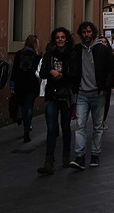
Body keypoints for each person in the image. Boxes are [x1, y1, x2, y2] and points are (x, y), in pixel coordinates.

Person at [69, 21, 114, 170]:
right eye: (84, 32)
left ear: (93, 33)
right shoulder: (76, 50)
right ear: (81, 34)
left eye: (89, 32)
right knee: (80, 125)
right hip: (82, 93)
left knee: (97, 126)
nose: (86, 34)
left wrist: (105, 88)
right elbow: (72, 69)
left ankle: (95, 154)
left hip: (98, 93)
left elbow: (111, 69)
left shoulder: (102, 50)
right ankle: (79, 157)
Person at [36, 28, 76, 175]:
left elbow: (75, 74)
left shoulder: (72, 55)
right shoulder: (49, 55)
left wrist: (62, 74)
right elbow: (42, 73)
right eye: (57, 37)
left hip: (66, 95)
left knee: (66, 127)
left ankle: (66, 156)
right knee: (52, 128)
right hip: (51, 95)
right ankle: (49, 160)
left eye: (62, 37)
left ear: (66, 39)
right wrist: (51, 72)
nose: (60, 39)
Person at [11, 34, 42, 142]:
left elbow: (14, 71)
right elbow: (39, 73)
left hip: (20, 84)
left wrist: (12, 85)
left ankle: (21, 120)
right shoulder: (37, 57)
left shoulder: (19, 54)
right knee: (28, 108)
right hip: (32, 85)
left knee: (21, 105)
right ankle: (26, 132)